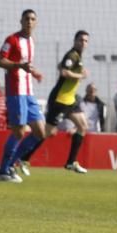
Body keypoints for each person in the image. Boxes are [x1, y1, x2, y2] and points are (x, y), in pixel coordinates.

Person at [25, 29, 91, 174]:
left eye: (86, 41)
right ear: (75, 41)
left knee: (82, 126)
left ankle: (71, 162)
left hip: (70, 100)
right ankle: (24, 158)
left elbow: (61, 67)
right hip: (60, 100)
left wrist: (74, 72)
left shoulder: (77, 57)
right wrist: (80, 75)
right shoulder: (72, 55)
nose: (83, 43)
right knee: (46, 132)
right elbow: (64, 72)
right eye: (81, 40)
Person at [0, 9, 45, 183]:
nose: (29, 22)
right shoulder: (12, 40)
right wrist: (18, 66)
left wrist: (34, 73)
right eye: (26, 19)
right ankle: (3, 171)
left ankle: (12, 163)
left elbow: (26, 66)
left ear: (36, 23)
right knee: (19, 132)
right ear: (21, 21)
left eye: (32, 19)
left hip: (28, 92)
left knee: (40, 131)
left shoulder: (31, 41)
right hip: (16, 92)